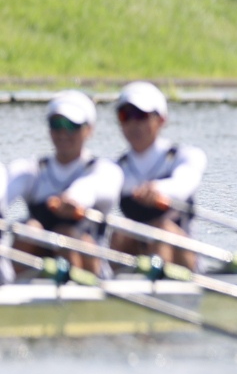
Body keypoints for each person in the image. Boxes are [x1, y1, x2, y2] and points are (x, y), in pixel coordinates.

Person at [5, 91, 122, 275]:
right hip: (37, 260)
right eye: (56, 124)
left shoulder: (103, 170)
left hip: (89, 268)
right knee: (29, 229)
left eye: (72, 125)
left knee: (66, 233)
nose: (63, 133)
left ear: (89, 129)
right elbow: (6, 187)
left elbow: (94, 186)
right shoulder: (33, 170)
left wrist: (73, 198)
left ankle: (77, 289)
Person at [109, 81, 207, 266]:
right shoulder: (115, 167)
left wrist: (157, 189)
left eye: (141, 115)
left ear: (161, 120)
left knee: (161, 229)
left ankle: (161, 278)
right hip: (135, 249)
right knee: (121, 231)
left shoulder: (185, 156)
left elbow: (183, 185)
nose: (133, 123)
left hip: (183, 259)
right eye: (125, 116)